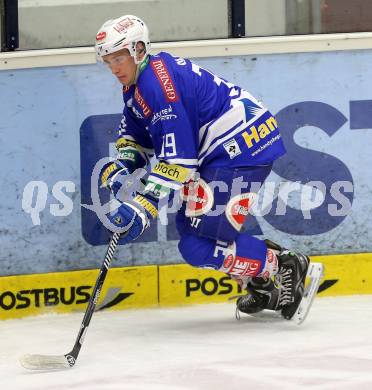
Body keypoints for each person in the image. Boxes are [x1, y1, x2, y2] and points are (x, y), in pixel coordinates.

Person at [95, 15, 311, 320]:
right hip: (223, 151)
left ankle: (281, 265)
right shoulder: (138, 84)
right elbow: (136, 137)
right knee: (191, 228)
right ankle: (264, 278)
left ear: (139, 49)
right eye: (108, 60)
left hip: (241, 149)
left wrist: (144, 208)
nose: (114, 67)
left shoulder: (157, 85)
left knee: (198, 246)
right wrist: (122, 165)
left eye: (119, 57)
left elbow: (179, 161)